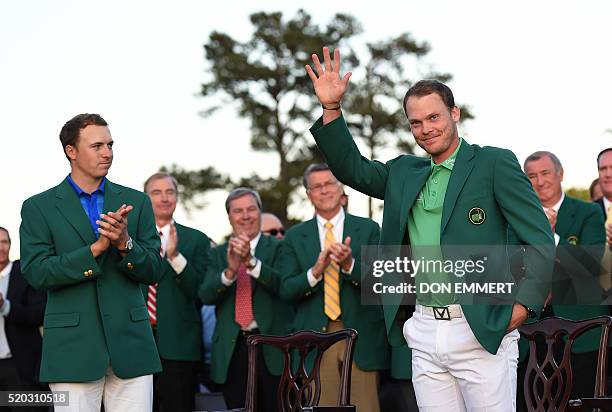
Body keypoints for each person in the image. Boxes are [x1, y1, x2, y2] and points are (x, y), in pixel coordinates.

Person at [305, 47, 554, 411]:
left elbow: (539, 238)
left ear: (454, 113)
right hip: (423, 329)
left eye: (434, 117)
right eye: (416, 122)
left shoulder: (494, 163)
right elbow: (352, 169)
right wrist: (331, 109)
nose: (426, 129)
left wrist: (524, 308)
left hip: (482, 326)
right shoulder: (404, 172)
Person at [19, 113, 162, 412]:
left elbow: (153, 270)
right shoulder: (38, 207)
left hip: (132, 347)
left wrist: (126, 244)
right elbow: (36, 272)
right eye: (97, 145)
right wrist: (95, 250)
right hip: (72, 351)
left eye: (110, 144)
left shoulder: (138, 201)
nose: (107, 152)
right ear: (71, 151)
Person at [278, 163, 388, 412]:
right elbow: (286, 290)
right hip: (315, 339)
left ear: (341, 190)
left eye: (329, 184)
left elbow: (382, 283)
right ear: (308, 194)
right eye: (316, 186)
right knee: (321, 407)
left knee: (366, 407)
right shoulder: (294, 237)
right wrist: (315, 272)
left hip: (361, 336)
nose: (324, 190)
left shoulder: (369, 229)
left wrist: (350, 265)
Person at [519, 151, 606, 402]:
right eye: (532, 176)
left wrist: (550, 237)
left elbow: (589, 265)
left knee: (579, 402)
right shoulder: (517, 217)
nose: (540, 181)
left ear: (560, 174)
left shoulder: (588, 213)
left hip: (578, 331)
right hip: (530, 334)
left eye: (545, 173)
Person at [198, 188, 291, 411]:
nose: (245, 216)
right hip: (233, 349)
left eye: (251, 209)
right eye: (238, 211)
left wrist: (251, 263)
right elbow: (205, 295)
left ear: (260, 212)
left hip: (272, 346)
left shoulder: (280, 247)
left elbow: (285, 288)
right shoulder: (218, 253)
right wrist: (230, 271)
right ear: (229, 217)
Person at [143, 172, 211, 412]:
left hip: (180, 346)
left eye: (170, 192)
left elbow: (201, 292)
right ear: (145, 198)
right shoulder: (129, 238)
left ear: (177, 197)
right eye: (156, 192)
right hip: (136, 345)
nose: (164, 198)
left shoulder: (197, 240)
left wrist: (174, 257)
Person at [0, 227, 48, 412]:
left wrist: (5, 306)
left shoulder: (25, 273)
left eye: (4, 242)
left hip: (20, 368)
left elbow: (39, 313)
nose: (1, 247)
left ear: (11, 245)